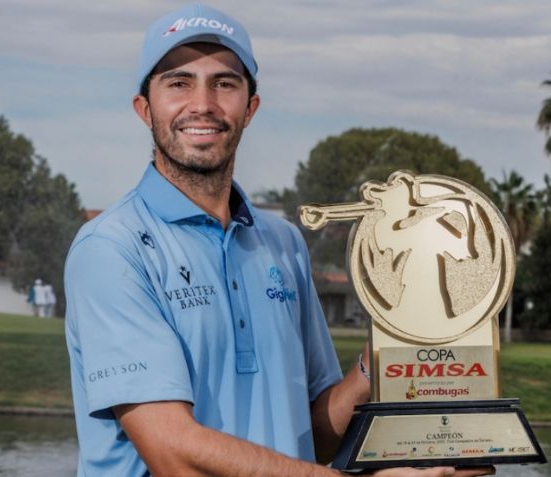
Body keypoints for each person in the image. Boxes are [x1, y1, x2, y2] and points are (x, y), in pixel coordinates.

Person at [64, 4, 492, 477]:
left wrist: (383, 359)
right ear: (145, 108)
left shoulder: (283, 242)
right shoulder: (111, 248)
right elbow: (174, 453)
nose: (202, 103)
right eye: (179, 82)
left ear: (250, 107)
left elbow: (313, 439)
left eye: (224, 83)